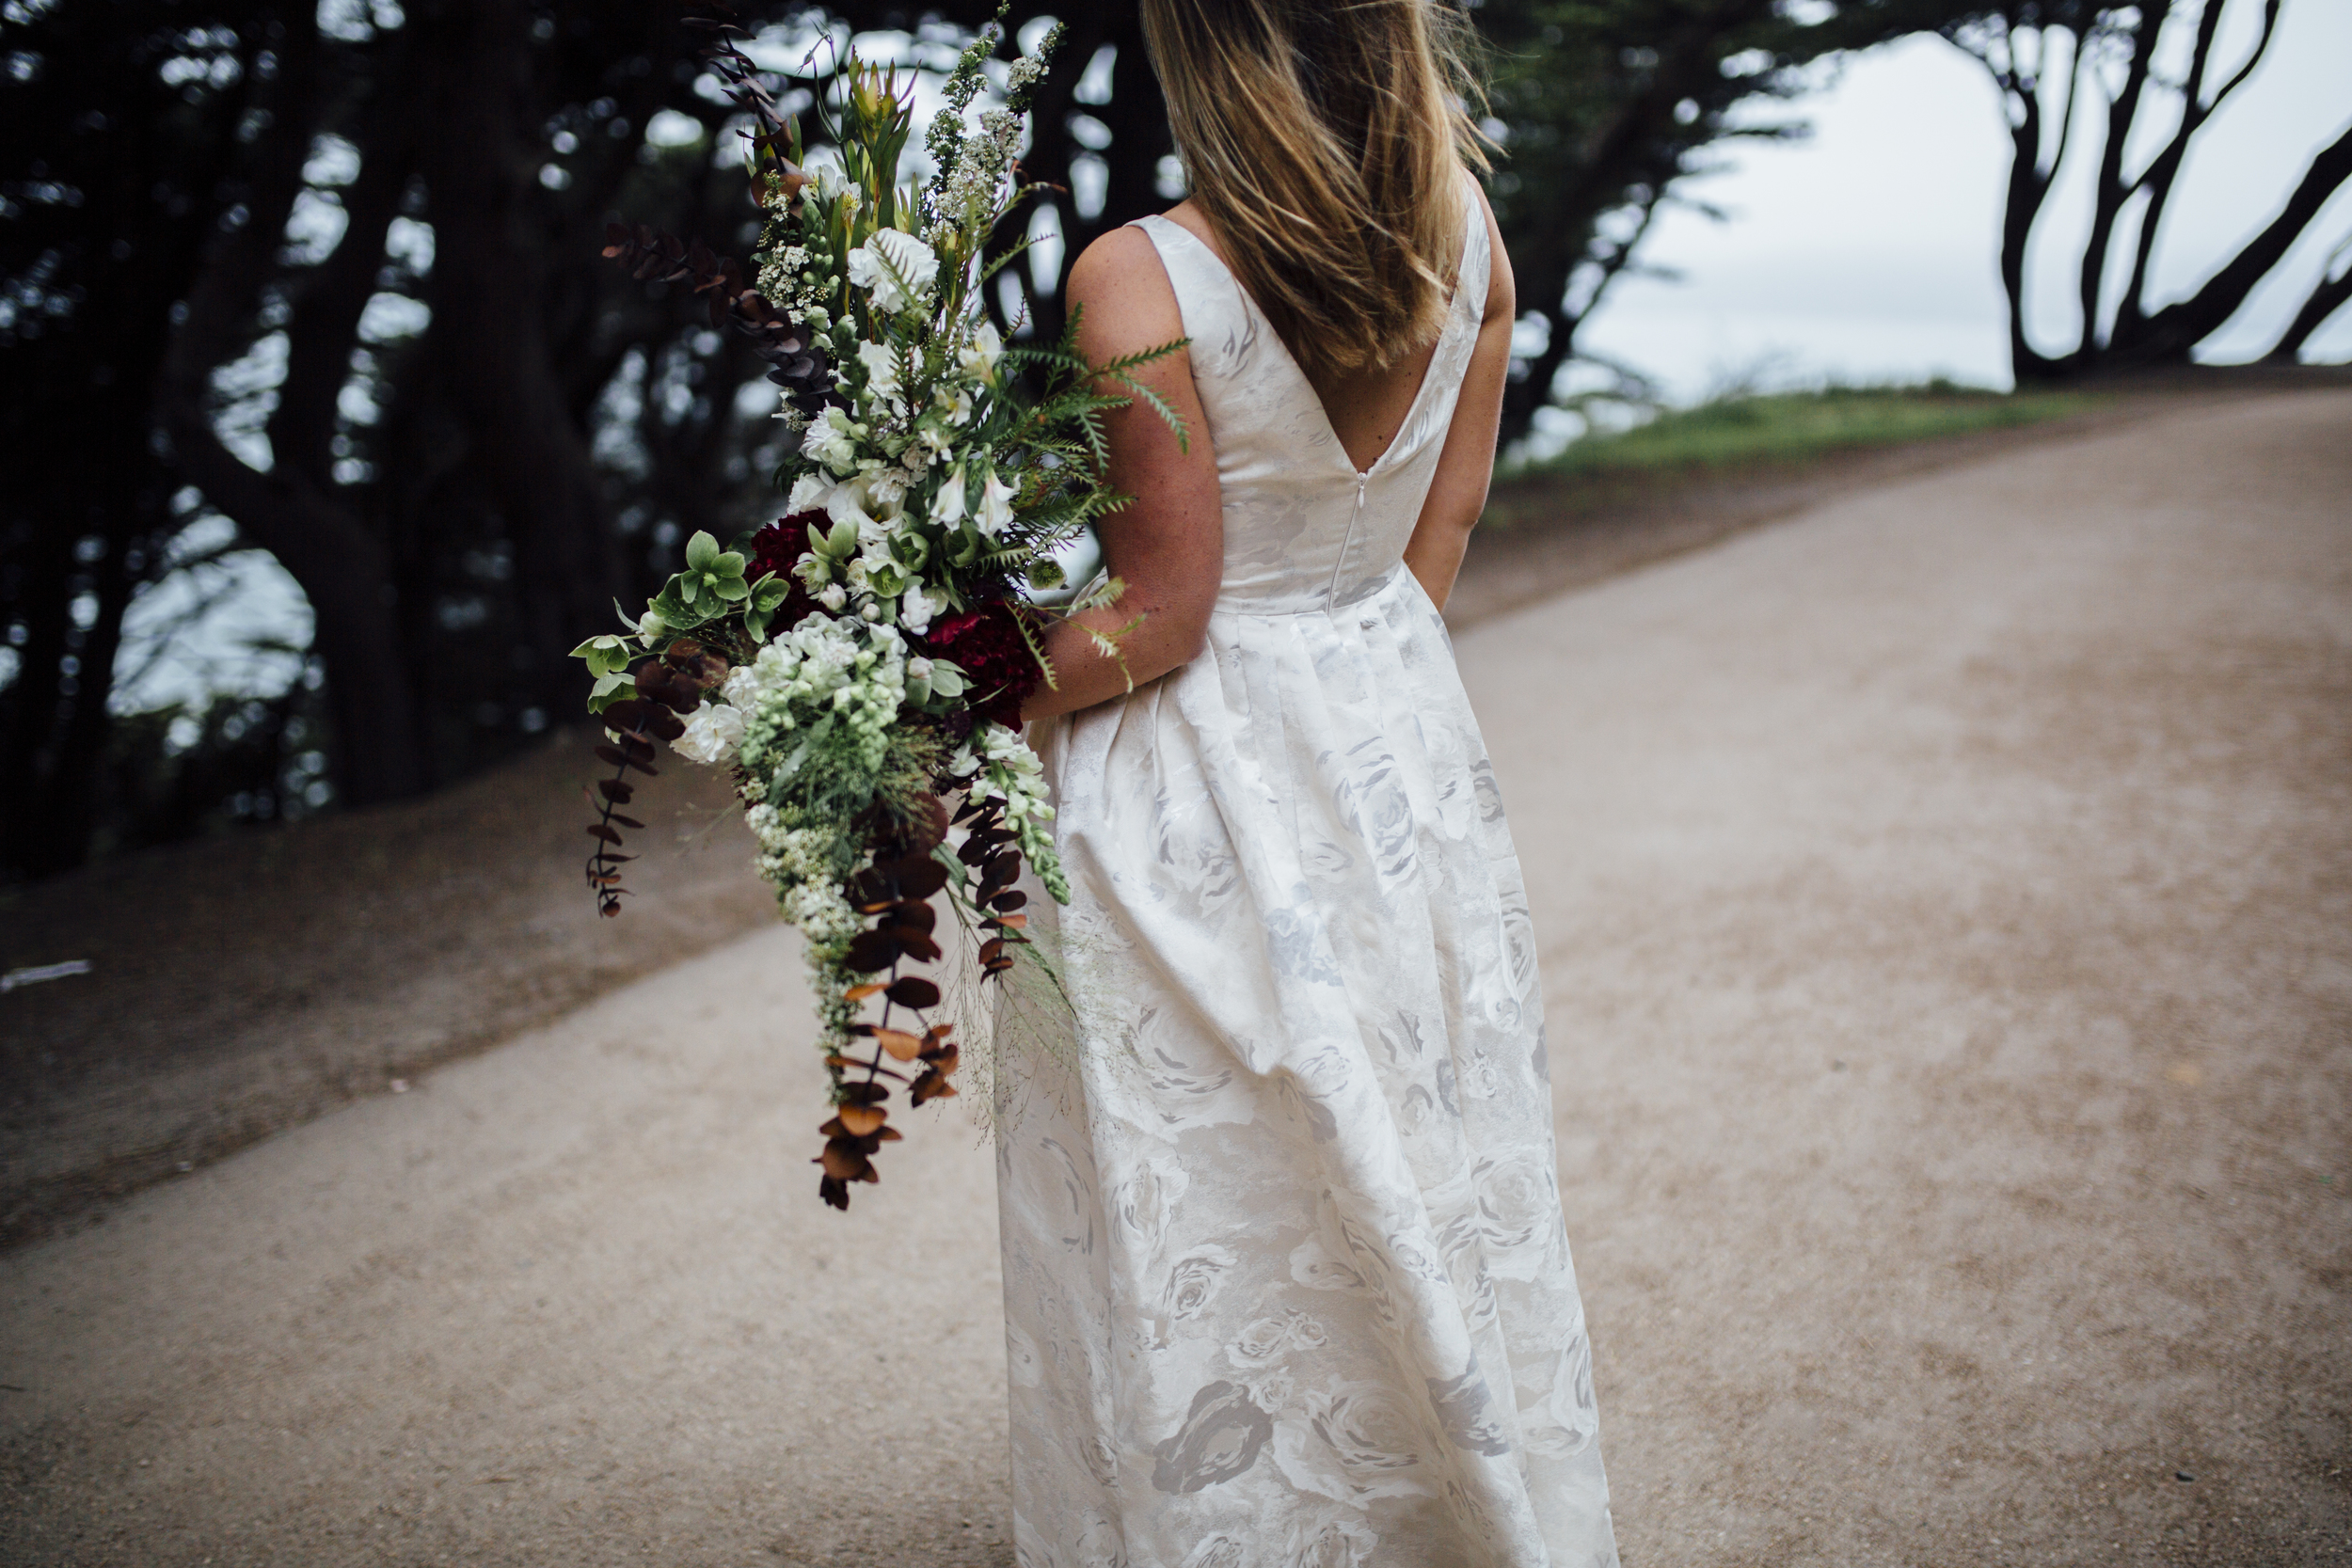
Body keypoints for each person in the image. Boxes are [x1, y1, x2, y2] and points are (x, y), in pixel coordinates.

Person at [993, 0, 1617, 1561]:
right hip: (1397, 726)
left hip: (1198, 778)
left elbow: (1161, 611)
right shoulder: (1470, 238)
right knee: (1408, 1123)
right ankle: (1441, 1490)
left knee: (1199, 1175)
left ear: (1209, 48)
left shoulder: (1140, 276)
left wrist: (952, 684)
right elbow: (1439, 536)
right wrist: (1355, 686)